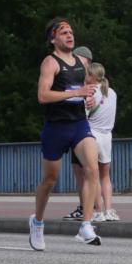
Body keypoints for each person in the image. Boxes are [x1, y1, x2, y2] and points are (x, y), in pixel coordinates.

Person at [29, 19, 100, 251]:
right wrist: (77, 92)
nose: (70, 35)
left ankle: (86, 225)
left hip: (79, 124)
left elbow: (87, 90)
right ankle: (37, 222)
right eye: (64, 32)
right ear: (53, 39)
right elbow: (42, 96)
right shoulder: (50, 63)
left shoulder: (81, 62)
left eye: (71, 31)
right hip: (56, 127)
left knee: (92, 167)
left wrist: (87, 97)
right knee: (50, 180)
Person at [63, 45, 95, 222]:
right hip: (73, 128)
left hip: (83, 131)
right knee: (81, 170)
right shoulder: (74, 77)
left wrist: (88, 100)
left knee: (87, 171)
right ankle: (88, 208)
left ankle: (88, 209)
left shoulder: (86, 80)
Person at [85, 62, 119, 222]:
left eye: (86, 74)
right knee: (106, 176)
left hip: (92, 134)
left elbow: (84, 115)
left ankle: (98, 211)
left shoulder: (90, 92)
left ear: (91, 76)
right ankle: (109, 210)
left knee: (93, 175)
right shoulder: (111, 92)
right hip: (107, 136)